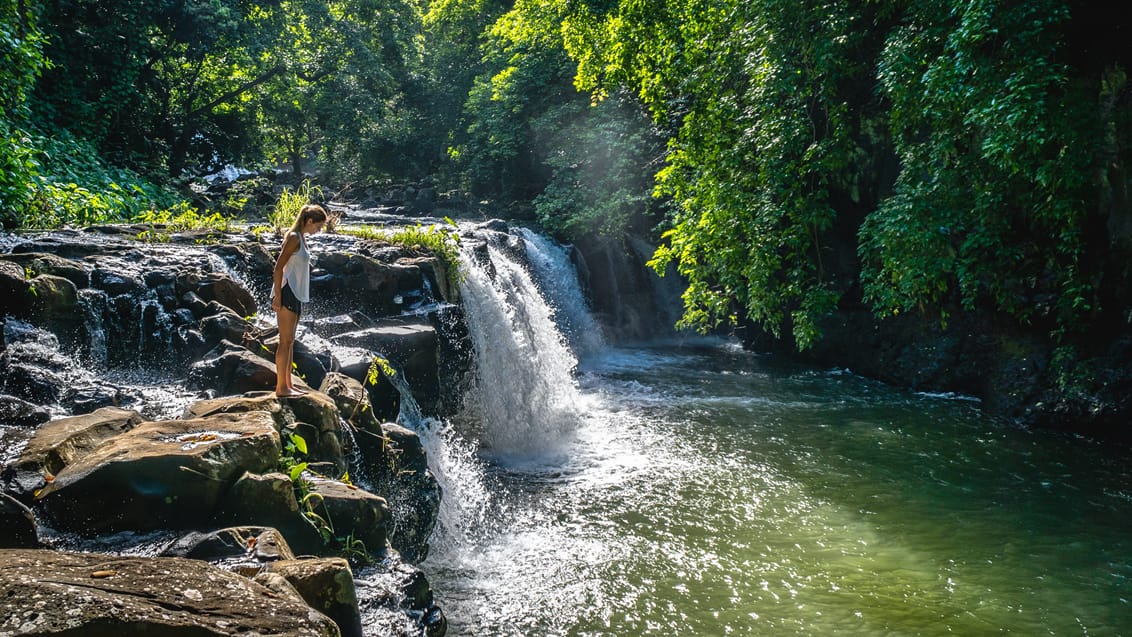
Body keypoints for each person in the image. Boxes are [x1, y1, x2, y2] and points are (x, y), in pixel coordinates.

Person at [271, 203, 327, 397]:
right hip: (287, 292)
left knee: (290, 341)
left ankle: (288, 384)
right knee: (284, 341)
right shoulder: (294, 238)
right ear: (309, 221)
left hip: (296, 293)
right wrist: (277, 295)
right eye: (318, 226)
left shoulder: (301, 238)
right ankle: (281, 388)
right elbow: (278, 267)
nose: (318, 230)